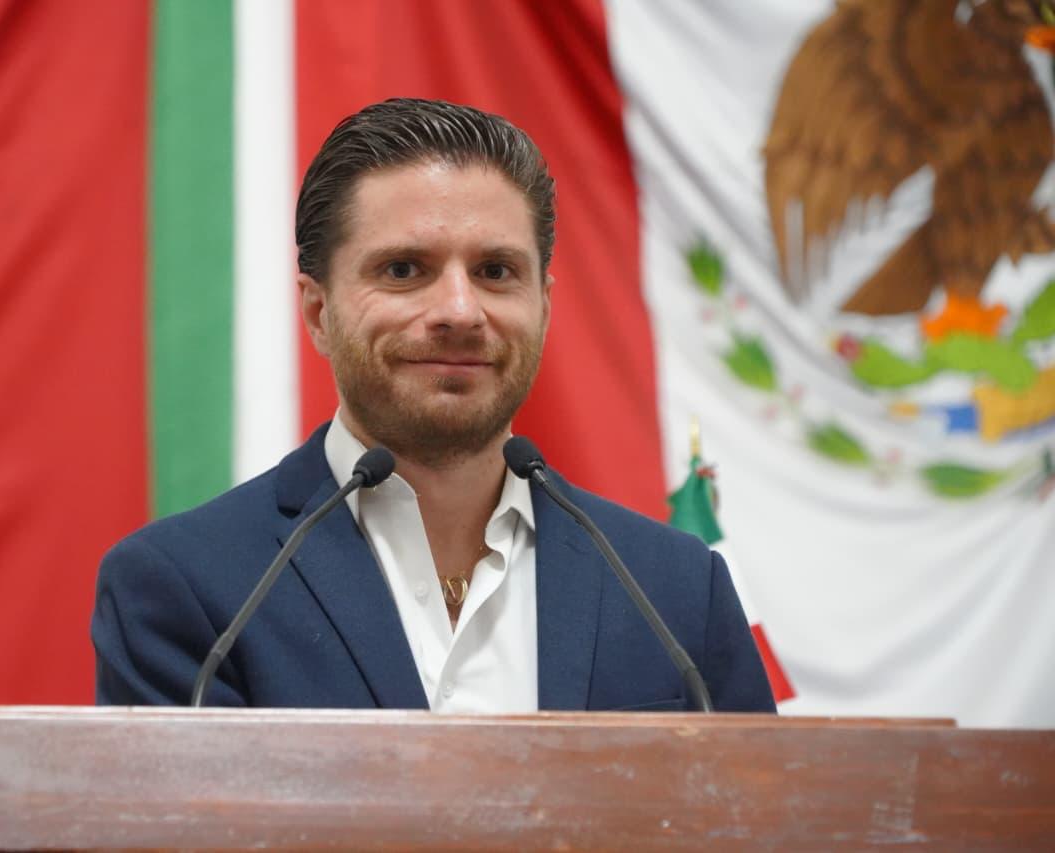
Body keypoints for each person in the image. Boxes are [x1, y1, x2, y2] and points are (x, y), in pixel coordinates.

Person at [92, 98, 775, 712]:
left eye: (495, 271)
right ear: (318, 312)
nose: (459, 310)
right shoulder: (189, 589)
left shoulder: (679, 591)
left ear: (543, 307)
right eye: (403, 270)